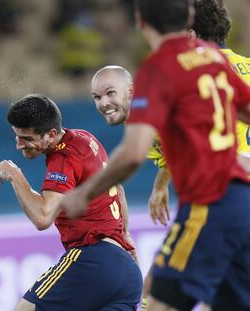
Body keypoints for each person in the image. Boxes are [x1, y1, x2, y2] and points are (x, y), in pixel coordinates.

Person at [58, 0, 250, 310]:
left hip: (210, 203)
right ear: (187, 18)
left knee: (157, 300)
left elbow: (133, 154)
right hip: (242, 203)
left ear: (141, 23)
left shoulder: (158, 70)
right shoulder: (214, 60)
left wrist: (85, 193)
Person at [144, 1, 250, 308]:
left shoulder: (200, 69)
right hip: (236, 199)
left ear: (190, 32)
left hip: (224, 195)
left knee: (158, 289)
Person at [0, 94, 142, 311]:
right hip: (126, 274)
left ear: (51, 134)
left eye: (26, 138)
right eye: (16, 136)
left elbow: (43, 217)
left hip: (94, 261)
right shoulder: (85, 138)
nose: (19, 145)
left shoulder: (63, 157)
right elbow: (117, 186)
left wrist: (14, 174)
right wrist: (126, 238)